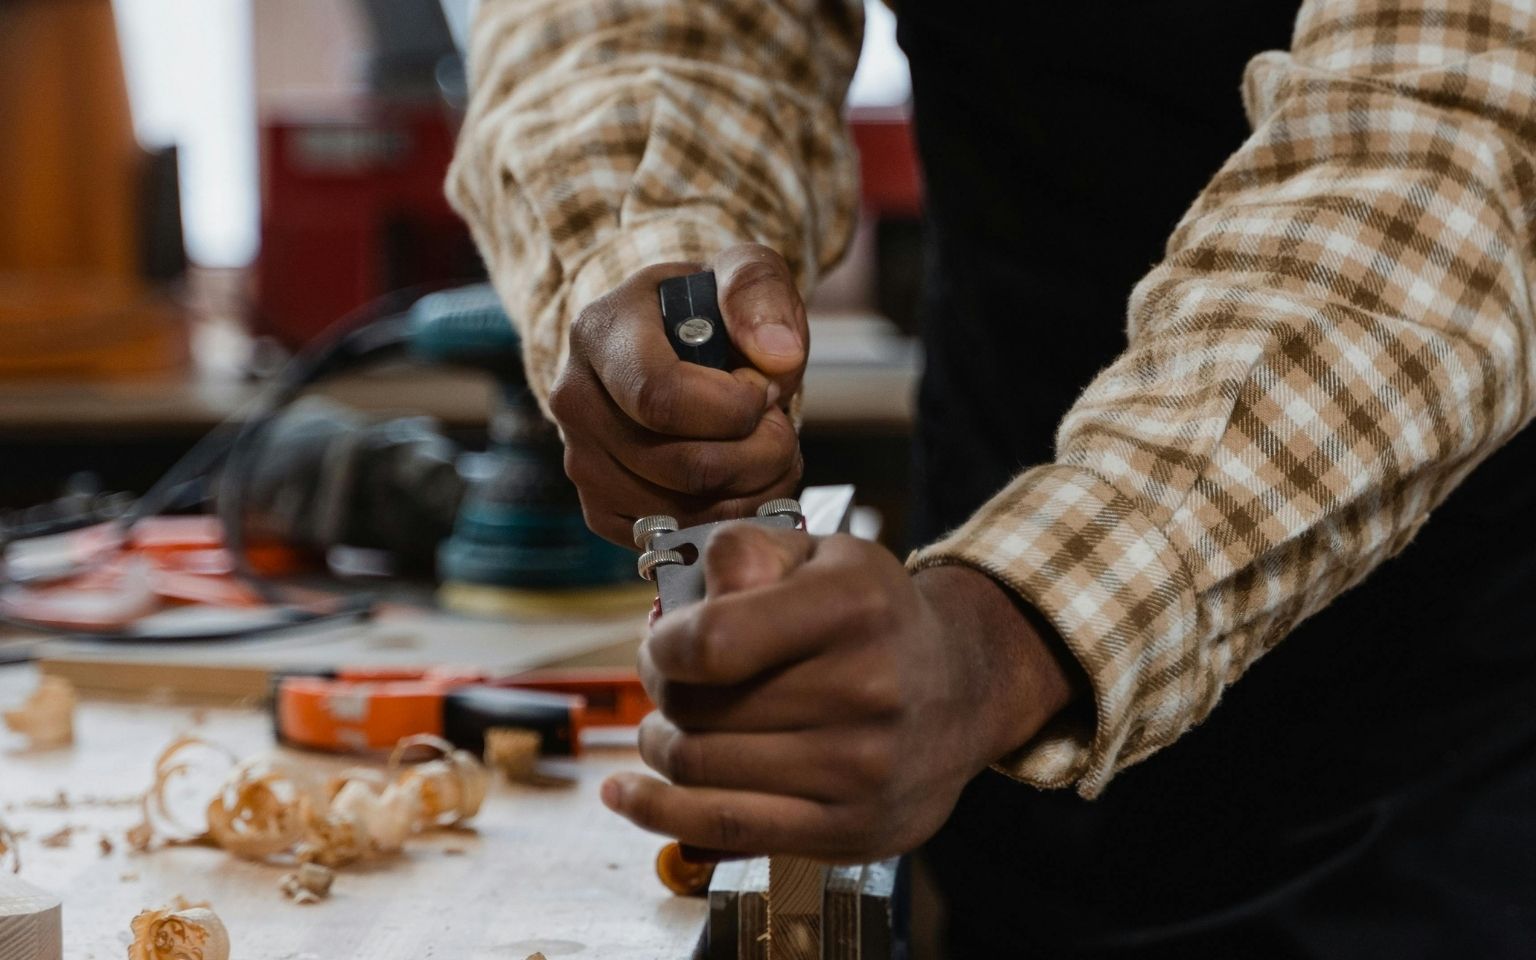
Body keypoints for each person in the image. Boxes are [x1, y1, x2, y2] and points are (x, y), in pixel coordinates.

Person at [448, 1, 1536, 954]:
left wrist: (1003, 634)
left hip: (1439, 705)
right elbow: (649, 24)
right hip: (990, 622)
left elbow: (1457, 146)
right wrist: (659, 262)